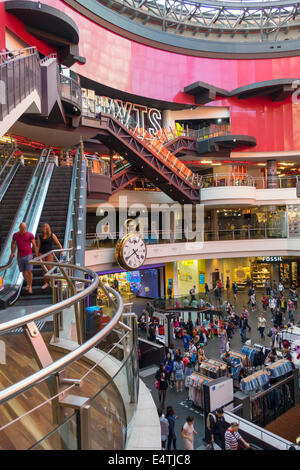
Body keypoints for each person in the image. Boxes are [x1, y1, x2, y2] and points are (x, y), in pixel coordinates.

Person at [10, 222, 38, 295]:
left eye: (25, 228)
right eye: (22, 228)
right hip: (20, 255)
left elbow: (34, 245)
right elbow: (12, 243)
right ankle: (28, 284)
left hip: (28, 255)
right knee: (23, 272)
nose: (23, 229)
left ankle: (30, 286)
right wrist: (12, 252)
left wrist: (36, 254)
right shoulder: (15, 235)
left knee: (29, 271)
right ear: (19, 227)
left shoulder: (30, 235)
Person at [37, 223, 62, 289]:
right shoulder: (40, 236)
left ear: (48, 229)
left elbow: (58, 243)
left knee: (49, 267)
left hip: (49, 253)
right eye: (43, 228)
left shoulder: (52, 235)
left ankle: (51, 280)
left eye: (45, 228)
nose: (43, 229)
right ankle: (46, 282)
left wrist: (62, 251)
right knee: (43, 268)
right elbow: (38, 246)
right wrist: (37, 255)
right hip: (42, 253)